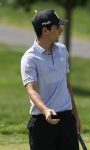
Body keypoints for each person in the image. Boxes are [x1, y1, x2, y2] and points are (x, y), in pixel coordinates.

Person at [21, 9, 81, 150]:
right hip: (43, 121)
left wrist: (75, 116)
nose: (60, 30)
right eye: (57, 27)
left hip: (66, 119)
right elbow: (31, 91)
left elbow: (66, 84)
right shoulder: (29, 58)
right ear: (45, 30)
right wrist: (46, 110)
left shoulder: (62, 50)